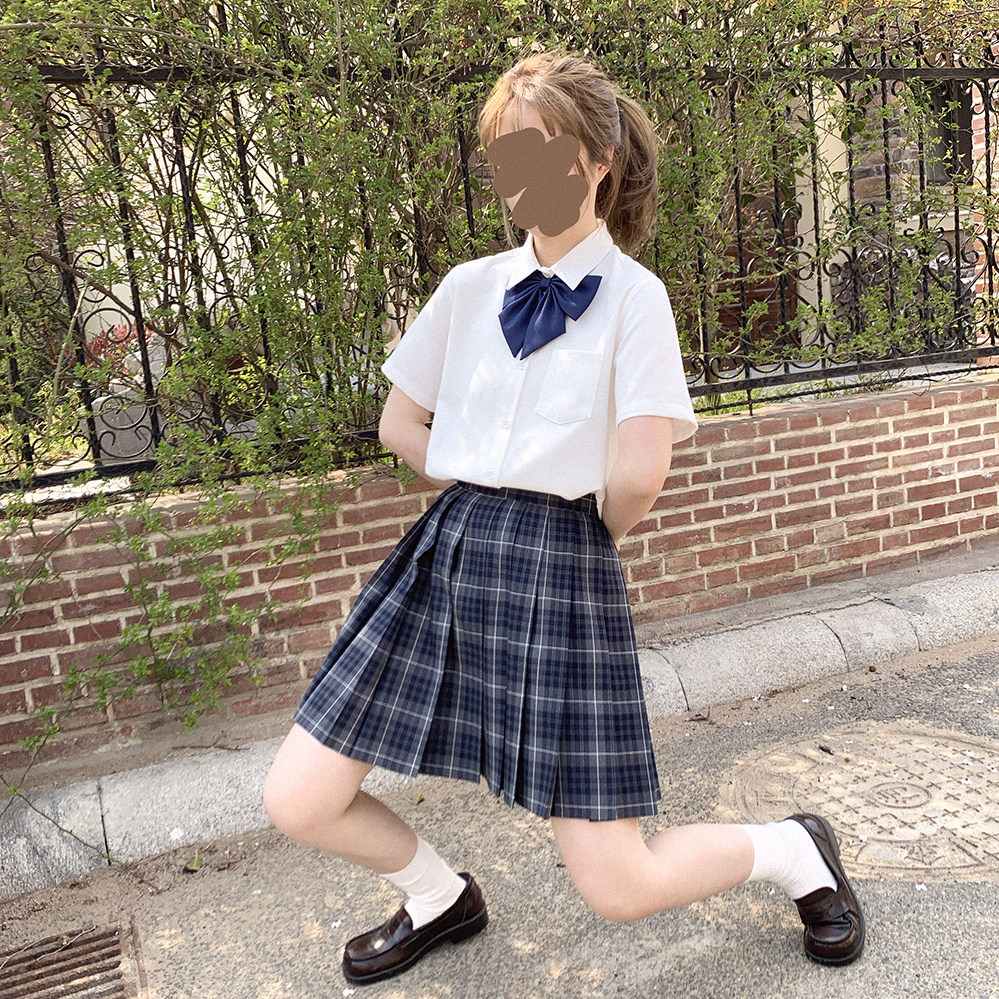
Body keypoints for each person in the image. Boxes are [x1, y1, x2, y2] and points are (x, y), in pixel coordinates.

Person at [262, 51, 865, 987]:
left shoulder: (634, 298)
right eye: (504, 153)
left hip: (559, 561)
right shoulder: (468, 287)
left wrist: (577, 536)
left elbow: (641, 469)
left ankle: (794, 849)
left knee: (619, 885)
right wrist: (481, 475)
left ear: (598, 161)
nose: (519, 174)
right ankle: (437, 895)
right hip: (448, 554)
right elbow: (397, 421)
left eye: (541, 149)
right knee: (298, 797)